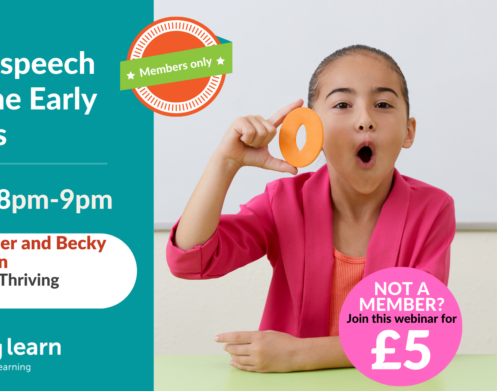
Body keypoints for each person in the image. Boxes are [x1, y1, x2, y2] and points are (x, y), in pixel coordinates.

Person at [166, 45, 455, 373]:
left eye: (383, 104)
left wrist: (299, 354)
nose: (365, 120)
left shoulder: (433, 209)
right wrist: (225, 162)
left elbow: (421, 330)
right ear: (311, 129)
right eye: (343, 104)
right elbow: (189, 259)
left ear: (408, 131)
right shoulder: (284, 202)